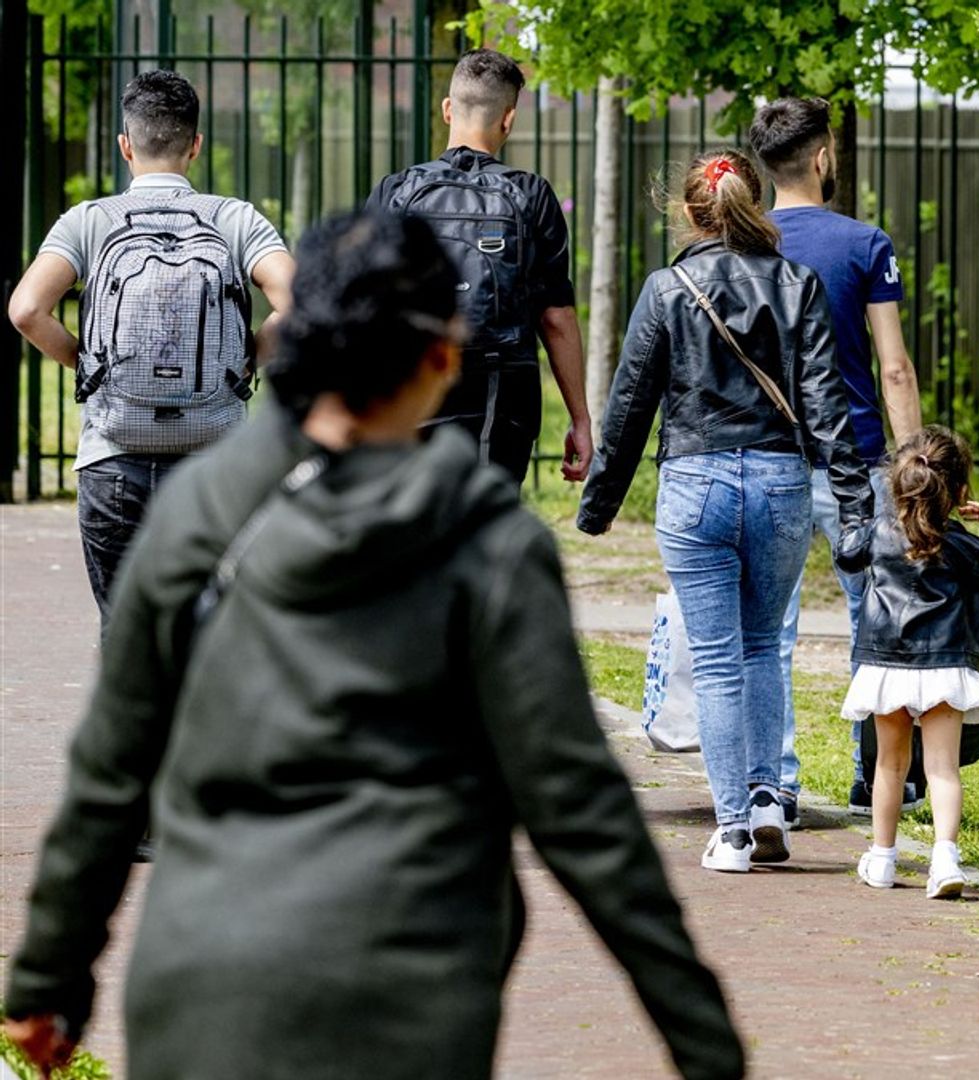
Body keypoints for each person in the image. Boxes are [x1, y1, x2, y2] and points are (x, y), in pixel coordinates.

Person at [0, 209, 743, 1080]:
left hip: (202, 983)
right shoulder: (487, 538)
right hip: (409, 993)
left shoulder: (200, 511)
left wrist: (48, 978)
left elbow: (110, 769)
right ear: (440, 356)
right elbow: (582, 814)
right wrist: (704, 1044)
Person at [578, 150, 872, 874]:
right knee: (764, 645)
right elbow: (825, 404)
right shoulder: (797, 284)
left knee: (713, 660)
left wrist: (599, 505)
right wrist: (855, 501)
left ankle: (734, 829)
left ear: (689, 212)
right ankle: (770, 797)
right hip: (779, 480)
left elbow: (628, 407)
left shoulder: (667, 287)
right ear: (756, 205)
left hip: (694, 481)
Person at [6, 69, 294, 625]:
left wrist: (83, 364)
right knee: (212, 633)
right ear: (196, 146)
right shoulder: (233, 219)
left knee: (126, 632)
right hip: (216, 460)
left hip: (113, 460)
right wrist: (246, 359)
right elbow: (300, 301)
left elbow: (25, 310)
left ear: (124, 145)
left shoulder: (90, 221)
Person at [747, 97, 926, 821]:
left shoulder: (742, 243)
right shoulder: (865, 244)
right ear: (822, 157)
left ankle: (776, 785)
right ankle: (874, 777)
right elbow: (895, 370)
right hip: (854, 459)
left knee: (770, 631)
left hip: (765, 457)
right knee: (874, 623)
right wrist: (913, 465)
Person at [368, 48, 592, 486]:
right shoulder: (531, 195)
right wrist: (579, 418)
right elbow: (556, 317)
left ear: (447, 109)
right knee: (485, 516)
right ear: (508, 119)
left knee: (414, 513)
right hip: (500, 386)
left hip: (415, 377)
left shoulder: (396, 191)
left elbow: (367, 302)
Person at [835, 426, 979, 897]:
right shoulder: (959, 544)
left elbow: (846, 553)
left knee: (889, 766)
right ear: (960, 491)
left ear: (897, 484)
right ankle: (944, 860)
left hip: (887, 665)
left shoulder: (879, 535)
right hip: (945, 665)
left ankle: (881, 858)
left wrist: (865, 514)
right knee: (942, 768)